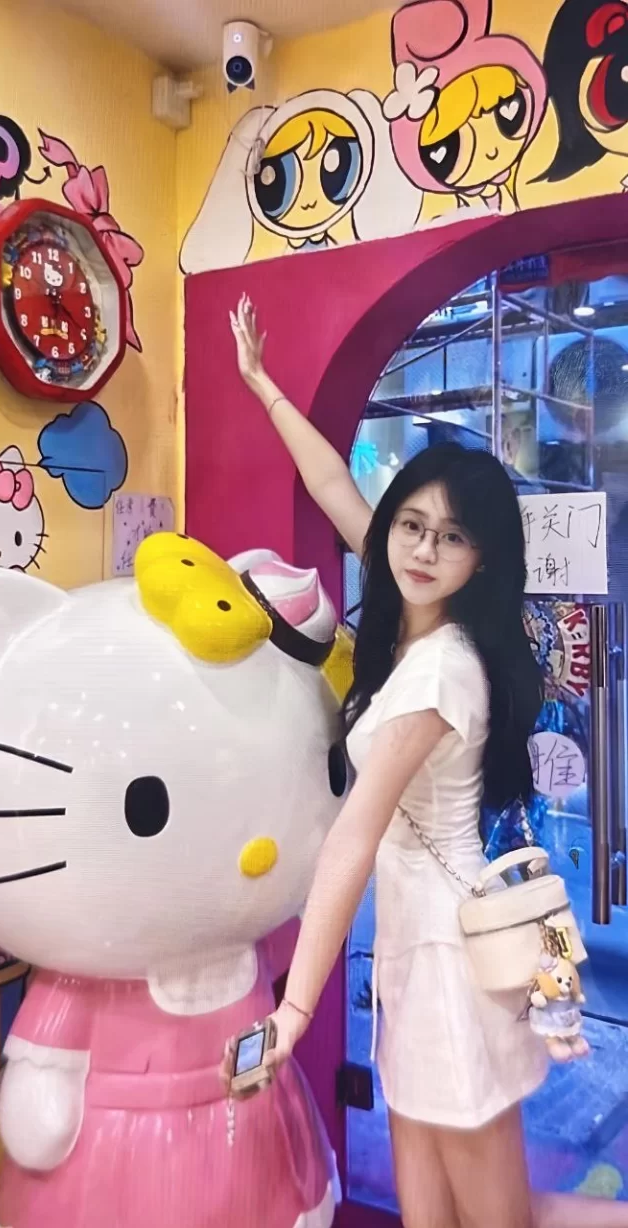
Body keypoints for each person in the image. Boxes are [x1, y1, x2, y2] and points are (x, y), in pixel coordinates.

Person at [226, 293, 628, 1228]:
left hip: (451, 961)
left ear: (480, 559)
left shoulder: (440, 668)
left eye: (451, 537)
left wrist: (295, 1010)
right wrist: (262, 385)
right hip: (417, 950)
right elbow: (334, 485)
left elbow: (353, 839)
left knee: (489, 1210)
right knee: (427, 1197)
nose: (422, 547)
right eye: (411, 524)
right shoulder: (417, 620)